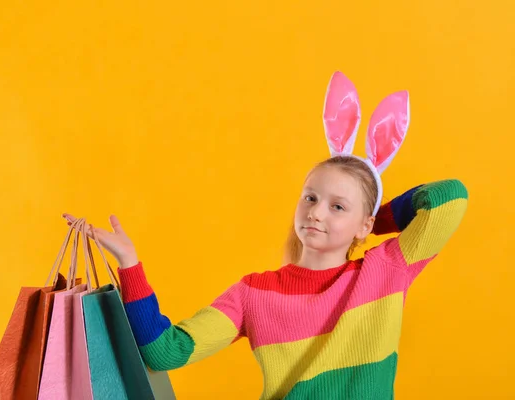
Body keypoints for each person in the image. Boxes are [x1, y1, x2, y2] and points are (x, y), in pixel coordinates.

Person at [63, 72, 468, 399]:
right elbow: (164, 351)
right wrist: (130, 264)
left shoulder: (385, 270)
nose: (315, 212)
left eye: (338, 206)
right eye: (310, 197)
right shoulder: (252, 295)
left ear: (363, 223)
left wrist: (375, 219)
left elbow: (450, 198)